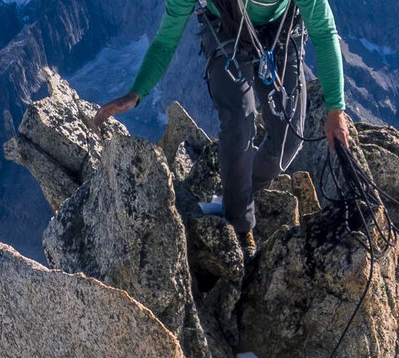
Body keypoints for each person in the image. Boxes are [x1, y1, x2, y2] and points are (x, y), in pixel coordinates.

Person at [92, 0, 350, 248]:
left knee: (288, 141)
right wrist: (136, 93)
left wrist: (336, 109)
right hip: (227, 29)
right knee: (239, 121)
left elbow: (325, 33)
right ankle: (238, 225)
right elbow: (165, 40)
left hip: (283, 33)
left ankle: (236, 192)